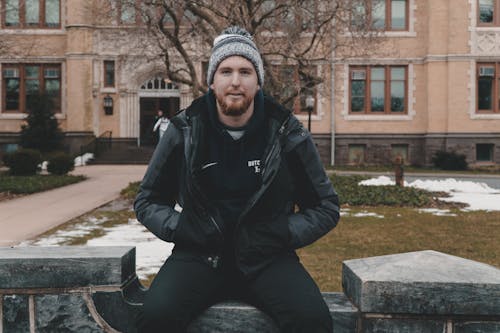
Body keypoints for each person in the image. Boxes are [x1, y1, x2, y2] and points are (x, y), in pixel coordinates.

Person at [134, 26, 340, 332]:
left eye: (245, 71)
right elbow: (147, 200)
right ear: (212, 82)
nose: (235, 81)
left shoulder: (286, 132)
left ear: (258, 82)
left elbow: (326, 206)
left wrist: (281, 232)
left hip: (268, 258)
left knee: (313, 321)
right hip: (199, 256)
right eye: (225, 71)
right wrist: (182, 227)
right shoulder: (185, 130)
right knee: (154, 318)